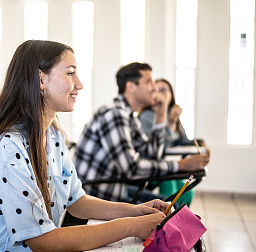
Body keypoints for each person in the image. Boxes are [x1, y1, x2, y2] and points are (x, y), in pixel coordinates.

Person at [0, 40, 172, 251]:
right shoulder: (9, 147)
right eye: (71, 73)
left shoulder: (53, 134)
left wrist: (135, 212)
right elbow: (42, 241)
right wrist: (131, 226)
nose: (79, 84)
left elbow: (77, 201)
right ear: (41, 79)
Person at [74, 62, 210, 203]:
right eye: (149, 82)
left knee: (172, 207)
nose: (154, 89)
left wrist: (160, 115)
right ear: (131, 86)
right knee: (169, 211)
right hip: (96, 197)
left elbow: (152, 156)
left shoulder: (130, 117)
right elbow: (132, 169)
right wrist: (181, 165)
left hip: (116, 188)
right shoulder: (114, 114)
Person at [138, 78, 210, 206]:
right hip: (153, 168)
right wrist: (171, 122)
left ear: (171, 94)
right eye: (157, 90)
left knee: (187, 192)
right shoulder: (147, 116)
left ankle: (178, 221)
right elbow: (159, 149)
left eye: (164, 90)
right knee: (169, 184)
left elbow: (182, 141)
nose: (160, 93)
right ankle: (164, 219)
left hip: (168, 166)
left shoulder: (172, 114)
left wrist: (201, 145)